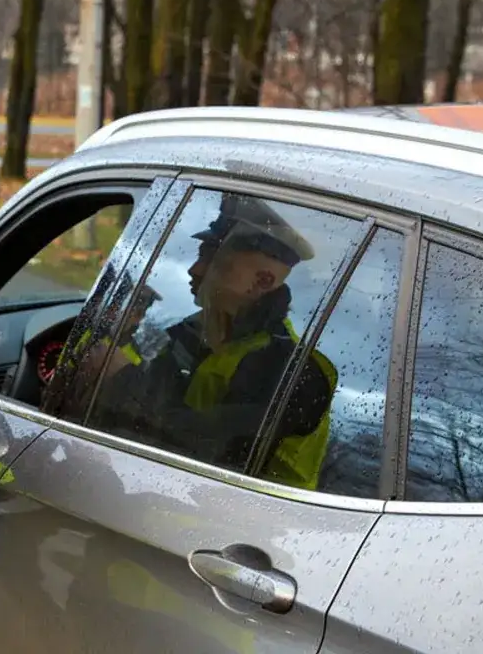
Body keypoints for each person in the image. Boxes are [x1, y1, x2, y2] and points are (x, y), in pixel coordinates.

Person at [94, 194, 337, 490]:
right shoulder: (193, 338)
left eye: (212, 258)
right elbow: (151, 412)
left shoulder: (291, 371)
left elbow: (208, 453)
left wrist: (120, 377)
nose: (195, 270)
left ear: (263, 281)